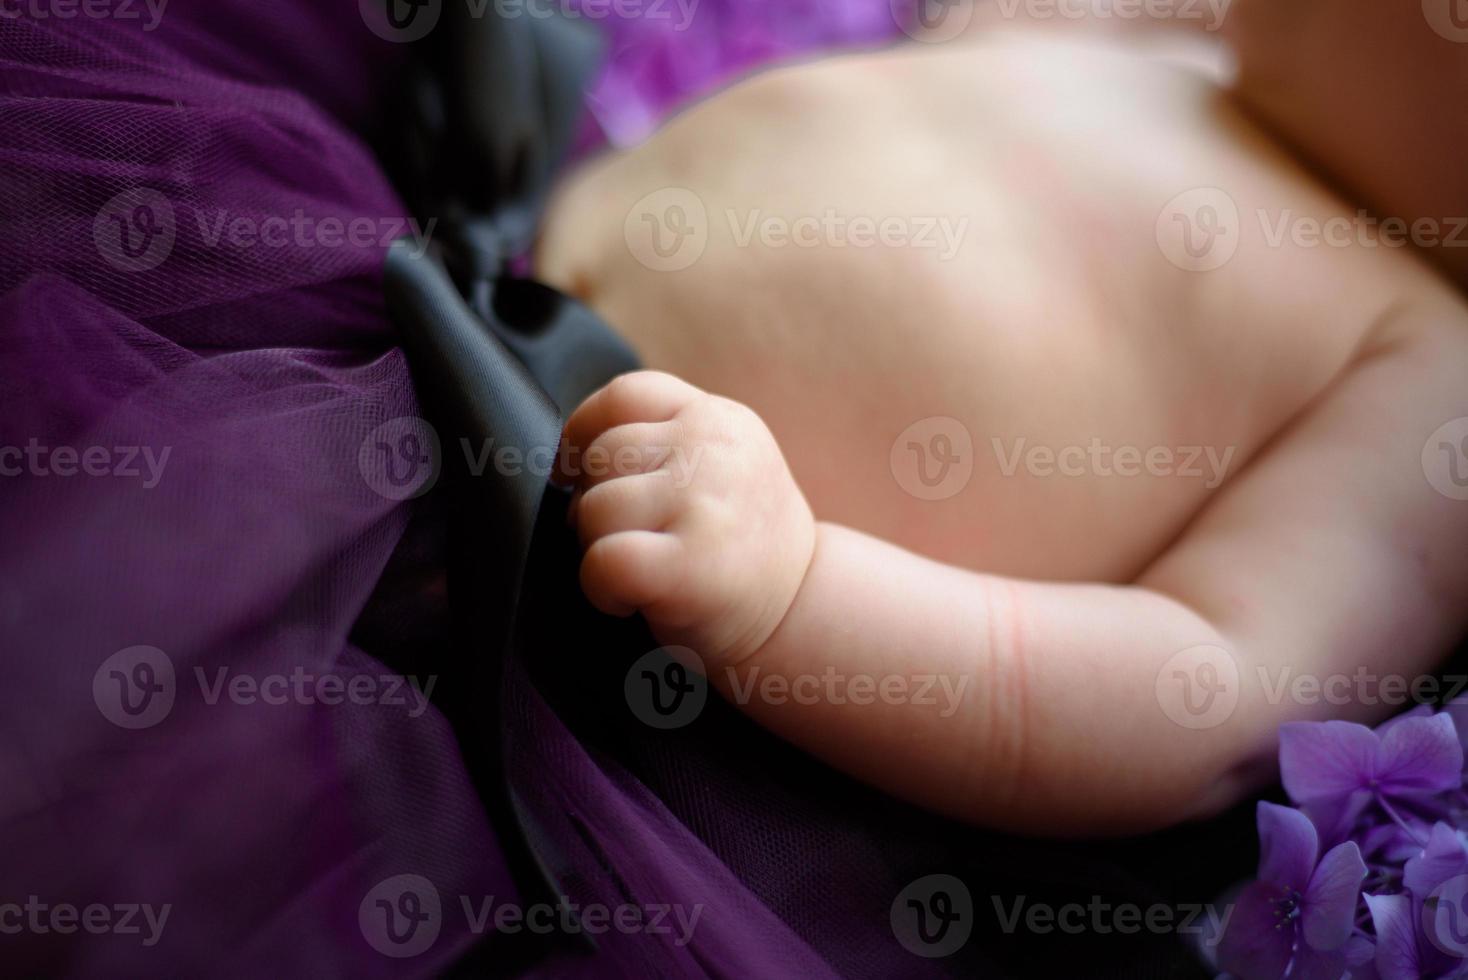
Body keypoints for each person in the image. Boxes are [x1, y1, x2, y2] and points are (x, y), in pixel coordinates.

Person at [533, 15, 1468, 833]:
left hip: (611, 600)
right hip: (494, 251)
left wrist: (792, 592)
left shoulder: (1435, 376)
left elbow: (1201, 688)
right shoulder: (1190, 60)